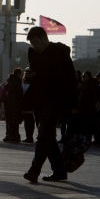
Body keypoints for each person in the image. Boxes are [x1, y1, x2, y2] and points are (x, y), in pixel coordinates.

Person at [23, 26, 77, 182]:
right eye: (32, 44)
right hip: (39, 99)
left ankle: (34, 170)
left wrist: (74, 104)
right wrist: (29, 77)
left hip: (56, 100)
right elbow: (34, 74)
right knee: (48, 137)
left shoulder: (60, 52)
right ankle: (59, 171)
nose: (35, 46)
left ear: (45, 38)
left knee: (43, 135)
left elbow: (70, 79)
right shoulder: (32, 53)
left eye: (37, 42)